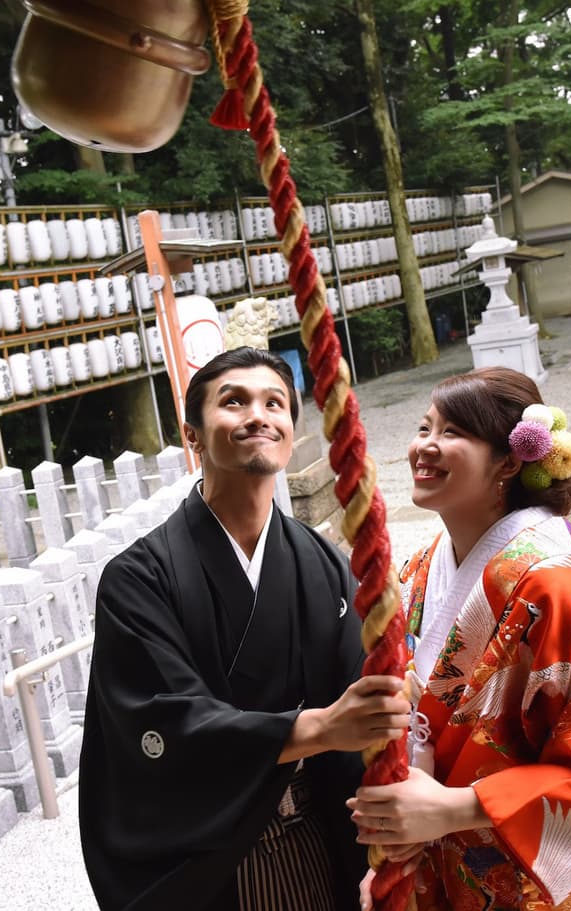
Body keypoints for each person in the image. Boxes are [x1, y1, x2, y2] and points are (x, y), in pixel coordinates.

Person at [79, 347, 411, 911]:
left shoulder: (323, 564)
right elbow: (167, 720)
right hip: (206, 858)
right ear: (194, 434)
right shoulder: (139, 578)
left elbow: (364, 709)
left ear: (289, 431)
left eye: (274, 403)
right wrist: (324, 726)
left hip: (317, 839)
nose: (258, 414)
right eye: (234, 402)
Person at [349, 367, 571, 911]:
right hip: (447, 862)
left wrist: (455, 808)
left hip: (520, 872)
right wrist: (401, 848)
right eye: (424, 428)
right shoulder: (416, 572)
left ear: (509, 461)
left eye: (452, 433)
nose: (425, 448)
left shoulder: (556, 589)